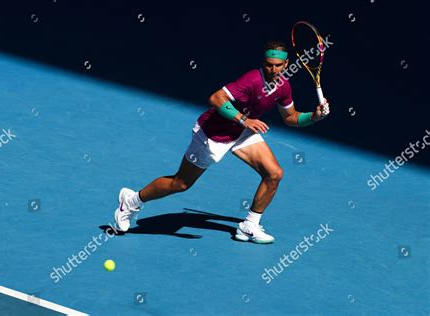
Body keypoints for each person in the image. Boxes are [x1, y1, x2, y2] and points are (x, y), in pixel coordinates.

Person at [114, 40, 330, 244]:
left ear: (287, 64)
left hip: (241, 131)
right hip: (212, 134)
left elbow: (290, 117)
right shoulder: (252, 80)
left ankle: (249, 226)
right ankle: (132, 201)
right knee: (180, 183)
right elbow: (216, 98)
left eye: (278, 65)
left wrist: (314, 116)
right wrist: (245, 120)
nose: (273, 70)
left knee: (274, 174)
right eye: (268, 65)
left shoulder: (283, 86)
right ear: (263, 63)